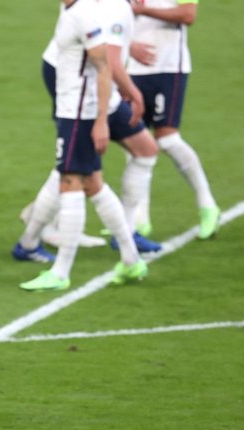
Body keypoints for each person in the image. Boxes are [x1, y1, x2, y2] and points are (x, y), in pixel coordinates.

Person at [15, 0, 149, 291]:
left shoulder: (84, 16)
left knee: (70, 183)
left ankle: (61, 273)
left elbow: (103, 68)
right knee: (94, 184)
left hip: (78, 114)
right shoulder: (75, 10)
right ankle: (131, 260)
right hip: (73, 109)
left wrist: (101, 120)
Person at [127, 0, 219, 239]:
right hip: (133, 69)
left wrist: (143, 10)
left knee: (167, 139)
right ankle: (139, 220)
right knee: (135, 143)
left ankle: (207, 205)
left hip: (169, 68)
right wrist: (127, 46)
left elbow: (188, 14)